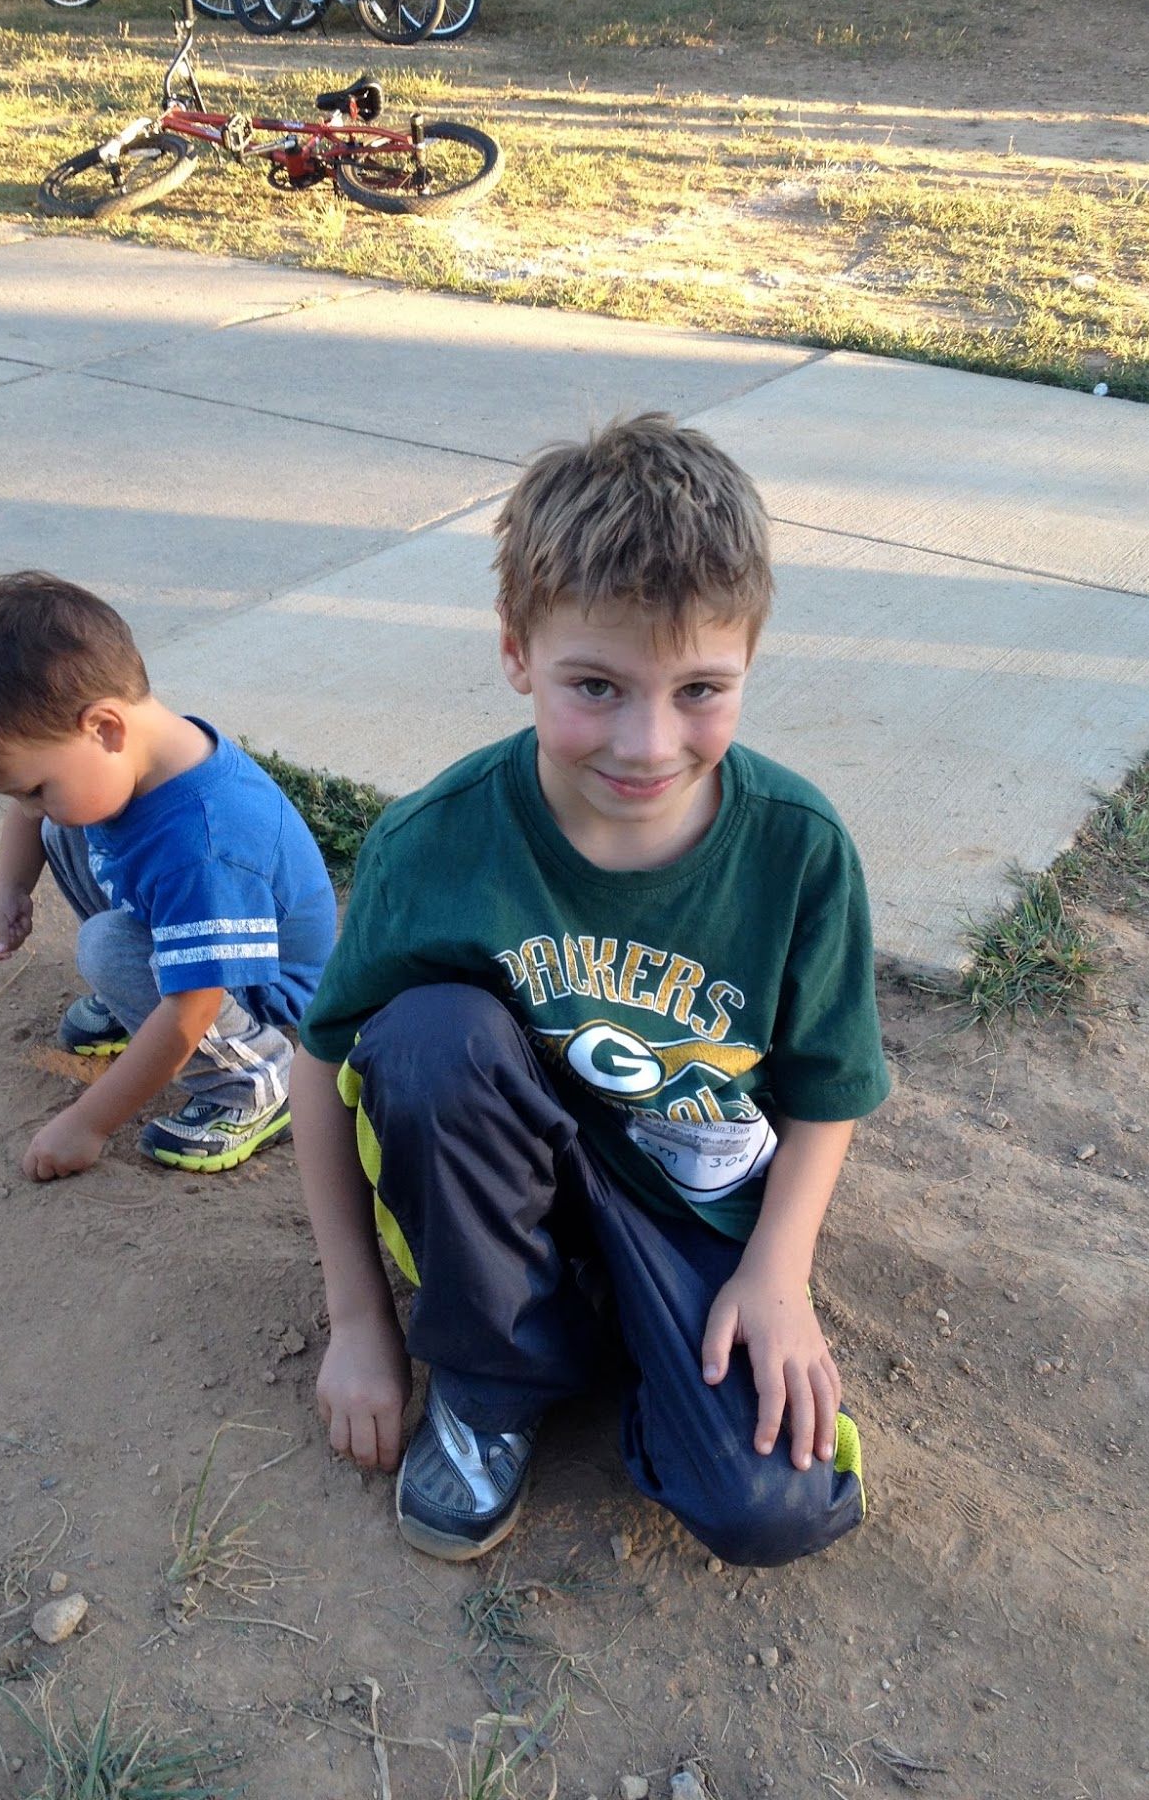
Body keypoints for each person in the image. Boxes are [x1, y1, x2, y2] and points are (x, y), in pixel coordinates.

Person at [291, 413, 891, 1568]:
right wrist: (360, 1319)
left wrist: (776, 1274)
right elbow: (321, 1060)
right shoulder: (438, 844)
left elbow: (829, 1088)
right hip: (510, 1180)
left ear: (752, 658)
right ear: (517, 650)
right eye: (597, 684)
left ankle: (627, 1336)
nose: (648, 741)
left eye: (701, 687)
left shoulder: (800, 849)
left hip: (692, 1208)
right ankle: (493, 1373)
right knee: (425, 1039)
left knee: (773, 1506)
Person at [0, 572, 337, 1183]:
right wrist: (7, 887)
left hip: (265, 992)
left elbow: (192, 1006)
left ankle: (254, 1078)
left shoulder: (202, 846)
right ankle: (135, 994)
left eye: (36, 788)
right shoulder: (133, 759)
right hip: (195, 943)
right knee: (67, 826)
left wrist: (86, 1123)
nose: (29, 806)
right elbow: (33, 813)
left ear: (105, 727)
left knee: (108, 944)